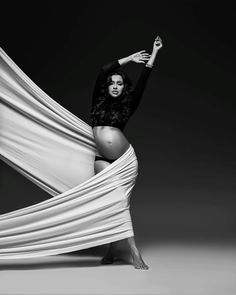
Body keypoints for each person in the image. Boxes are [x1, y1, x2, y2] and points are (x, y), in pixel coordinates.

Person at [90, 35, 163, 269]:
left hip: (124, 161)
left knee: (120, 203)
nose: (114, 85)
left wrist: (154, 53)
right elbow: (103, 70)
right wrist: (130, 59)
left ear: (124, 88)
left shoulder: (128, 104)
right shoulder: (97, 102)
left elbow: (143, 81)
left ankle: (134, 252)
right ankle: (112, 249)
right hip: (101, 159)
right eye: (112, 83)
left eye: (119, 83)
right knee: (109, 204)